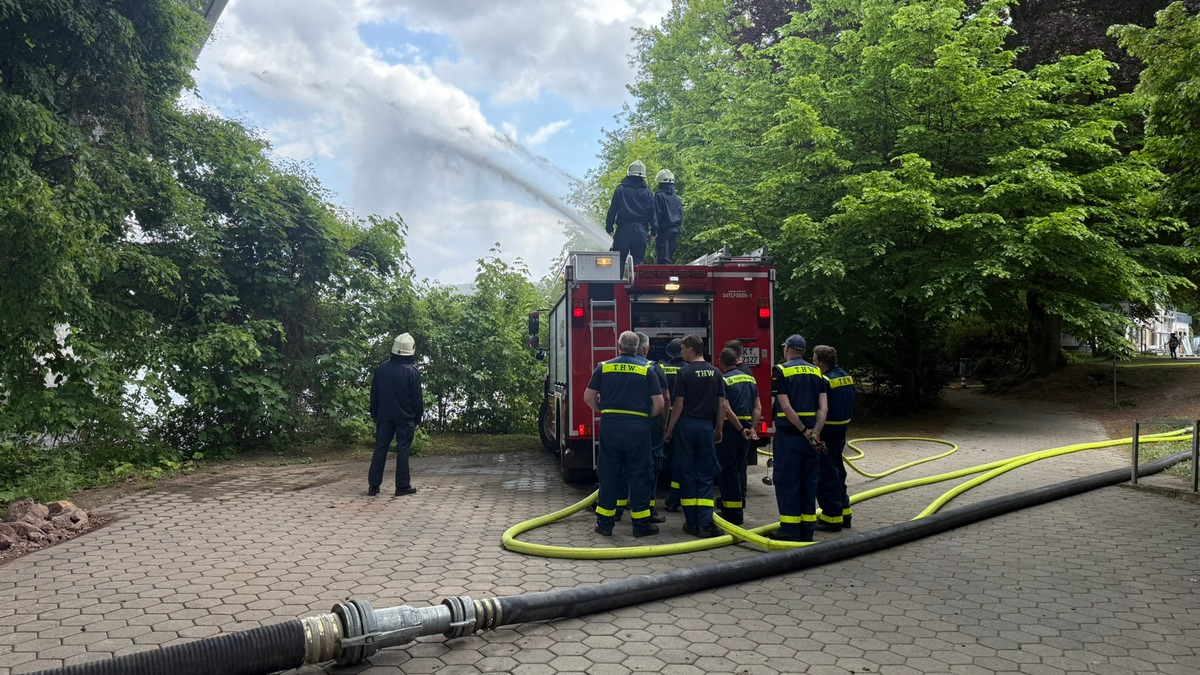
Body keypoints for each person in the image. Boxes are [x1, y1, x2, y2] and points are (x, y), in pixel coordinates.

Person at [584, 331, 665, 537]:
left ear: (618, 345)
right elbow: (659, 404)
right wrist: (645, 416)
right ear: (638, 347)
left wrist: (603, 410)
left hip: (611, 427)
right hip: (638, 428)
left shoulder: (604, 366)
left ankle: (604, 524)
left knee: (609, 474)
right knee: (639, 475)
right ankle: (640, 527)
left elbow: (588, 397)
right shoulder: (647, 369)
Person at [664, 334, 729, 538]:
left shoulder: (685, 373)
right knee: (706, 474)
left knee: (688, 473)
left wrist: (669, 429)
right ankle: (706, 523)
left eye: (683, 349)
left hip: (686, 426)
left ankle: (691, 522)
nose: (682, 353)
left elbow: (679, 405)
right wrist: (718, 429)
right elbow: (722, 405)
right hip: (705, 426)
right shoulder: (716, 372)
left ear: (691, 349)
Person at [770, 334, 828, 542]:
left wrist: (803, 429)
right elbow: (823, 407)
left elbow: (785, 407)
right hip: (812, 438)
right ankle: (807, 531)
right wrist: (815, 432)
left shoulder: (780, 370)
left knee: (787, 481)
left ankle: (789, 531)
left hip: (790, 437)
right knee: (808, 482)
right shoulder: (817, 372)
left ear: (787, 350)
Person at [368, 333, 424, 497]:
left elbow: (374, 394)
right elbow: (417, 400)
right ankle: (402, 486)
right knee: (403, 450)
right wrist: (417, 417)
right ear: (411, 350)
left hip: (384, 417)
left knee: (380, 449)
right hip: (405, 419)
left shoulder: (382, 368)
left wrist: (374, 413)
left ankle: (373, 485)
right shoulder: (412, 372)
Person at [813, 345, 855, 532]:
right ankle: (844, 512)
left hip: (828, 431)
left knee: (827, 474)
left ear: (821, 362)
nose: (813, 362)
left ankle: (831, 518)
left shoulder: (825, 380)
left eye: (814, 360)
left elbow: (822, 408)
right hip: (842, 430)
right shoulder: (846, 376)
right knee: (838, 471)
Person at [717, 348, 759, 525]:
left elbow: (725, 408)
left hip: (731, 429)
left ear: (721, 362)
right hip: (747, 430)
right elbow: (758, 407)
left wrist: (740, 428)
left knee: (729, 471)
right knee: (740, 469)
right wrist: (752, 428)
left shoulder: (724, 379)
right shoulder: (750, 379)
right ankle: (737, 504)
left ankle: (733, 513)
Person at [638, 332, 670, 523]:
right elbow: (664, 399)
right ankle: (648, 510)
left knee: (628, 465)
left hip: (626, 426)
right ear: (646, 349)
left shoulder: (611, 366)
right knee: (650, 466)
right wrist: (665, 424)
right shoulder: (654, 368)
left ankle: (619, 508)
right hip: (650, 424)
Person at [605, 161, 657, 277]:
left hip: (623, 230)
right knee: (638, 263)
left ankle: (617, 288)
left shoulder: (620, 190)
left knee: (619, 261)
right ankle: (636, 291)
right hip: (640, 231)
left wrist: (609, 227)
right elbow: (652, 213)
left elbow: (613, 209)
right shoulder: (648, 192)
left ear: (629, 173)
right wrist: (654, 231)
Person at [659, 338, 686, 511]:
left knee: (663, 456)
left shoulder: (661, 369)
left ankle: (660, 486)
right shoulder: (689, 369)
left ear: (669, 352)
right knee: (681, 459)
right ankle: (674, 496)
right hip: (684, 420)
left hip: (664, 417)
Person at [653, 169, 683, 264]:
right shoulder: (677, 198)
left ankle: (664, 278)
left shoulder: (659, 196)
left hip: (664, 231)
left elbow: (657, 214)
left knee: (663, 260)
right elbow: (681, 214)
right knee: (669, 258)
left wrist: (654, 231)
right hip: (675, 231)